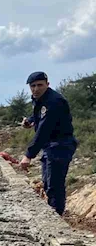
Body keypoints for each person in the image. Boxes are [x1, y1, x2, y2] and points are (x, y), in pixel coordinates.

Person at [18, 71, 77, 215]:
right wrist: (30, 121)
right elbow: (39, 115)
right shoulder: (40, 99)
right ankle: (55, 213)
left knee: (54, 185)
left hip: (60, 145)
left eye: (40, 85)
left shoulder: (54, 101)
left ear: (47, 84)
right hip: (50, 146)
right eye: (33, 86)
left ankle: (56, 218)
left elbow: (44, 131)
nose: (36, 89)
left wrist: (28, 155)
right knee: (48, 182)